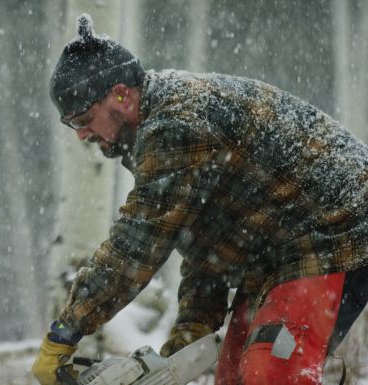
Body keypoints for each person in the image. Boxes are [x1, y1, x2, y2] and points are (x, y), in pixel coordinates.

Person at [32, 13, 368, 385]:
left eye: (83, 120)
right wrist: (182, 350)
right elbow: (205, 251)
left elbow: (136, 248)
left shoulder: (175, 124)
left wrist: (65, 331)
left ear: (121, 95)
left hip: (337, 227)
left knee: (270, 372)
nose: (81, 136)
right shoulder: (159, 136)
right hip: (277, 252)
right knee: (231, 375)